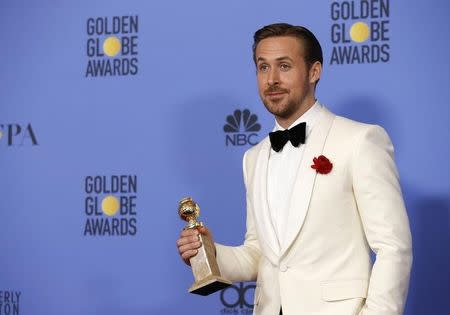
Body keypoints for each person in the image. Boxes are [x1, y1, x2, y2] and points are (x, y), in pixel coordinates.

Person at [176, 23, 412, 315]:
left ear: (314, 72)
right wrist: (210, 254)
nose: (271, 80)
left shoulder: (360, 140)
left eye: (284, 66)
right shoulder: (254, 157)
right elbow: (260, 254)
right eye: (263, 68)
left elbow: (393, 247)